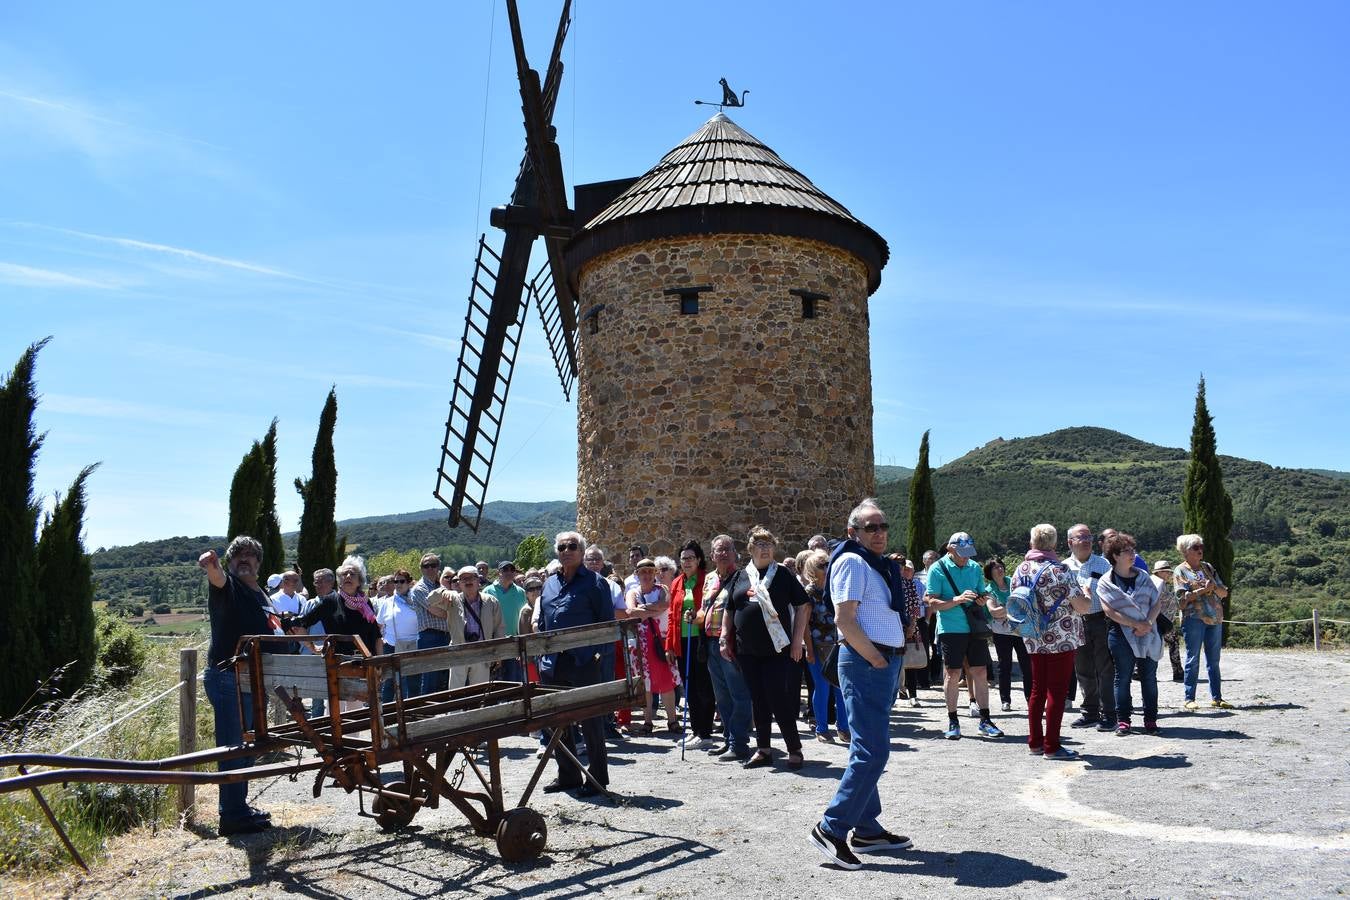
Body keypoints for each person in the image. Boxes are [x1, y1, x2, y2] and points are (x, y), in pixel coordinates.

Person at [809, 499, 913, 870]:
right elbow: (845, 619)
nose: (880, 533)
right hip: (868, 662)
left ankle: (867, 830)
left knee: (866, 748)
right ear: (853, 532)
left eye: (882, 526)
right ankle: (831, 827)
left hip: (880, 662)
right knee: (873, 752)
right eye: (871, 527)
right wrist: (875, 658)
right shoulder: (853, 561)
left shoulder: (873, 564)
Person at [199, 536, 276, 835]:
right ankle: (230, 815)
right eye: (238, 556)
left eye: (250, 555)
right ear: (230, 563)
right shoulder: (228, 587)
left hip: (254, 679)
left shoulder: (262, 595)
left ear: (258, 562)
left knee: (246, 748)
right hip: (229, 677)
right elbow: (217, 579)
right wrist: (211, 565)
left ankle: (239, 808)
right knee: (232, 747)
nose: (244, 559)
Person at [720, 526, 812, 770]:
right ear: (750, 549)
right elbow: (730, 608)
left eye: (769, 544)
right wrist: (723, 636)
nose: (764, 548)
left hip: (777, 649)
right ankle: (763, 750)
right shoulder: (740, 576)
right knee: (757, 699)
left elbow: (803, 606)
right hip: (746, 649)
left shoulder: (782, 575)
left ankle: (794, 749)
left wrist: (796, 641)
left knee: (777, 698)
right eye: (759, 544)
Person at [535, 531, 615, 796]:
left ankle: (596, 778)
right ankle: (568, 776)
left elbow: (606, 624)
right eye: (561, 547)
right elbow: (545, 624)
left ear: (581, 552)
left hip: (584, 661)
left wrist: (597, 656)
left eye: (571, 546)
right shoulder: (549, 584)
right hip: (554, 663)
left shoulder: (595, 583)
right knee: (558, 721)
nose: (566, 550)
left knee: (591, 721)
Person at [1010, 524, 1091, 760]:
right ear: (1054, 544)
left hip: (1032, 635)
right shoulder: (1061, 570)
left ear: (1032, 543)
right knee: (1057, 691)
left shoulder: (1020, 569)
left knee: (1037, 690)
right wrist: (1086, 592)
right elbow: (1082, 607)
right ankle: (1052, 746)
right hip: (1061, 638)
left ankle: (1035, 742)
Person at [926, 532, 1002, 740]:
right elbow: (932, 602)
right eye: (962, 553)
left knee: (980, 672)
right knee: (953, 674)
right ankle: (953, 720)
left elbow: (981, 593)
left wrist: (981, 599)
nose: (966, 557)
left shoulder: (974, 567)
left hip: (974, 628)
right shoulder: (937, 569)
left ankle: (985, 720)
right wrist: (957, 599)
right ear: (950, 549)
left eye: (969, 553)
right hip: (950, 628)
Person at [286, 558, 382, 714]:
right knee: (334, 713)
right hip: (338, 665)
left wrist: (380, 663)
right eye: (344, 574)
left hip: (364, 664)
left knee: (355, 714)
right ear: (339, 580)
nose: (348, 576)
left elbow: (376, 636)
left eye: (352, 574)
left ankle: (352, 739)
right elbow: (300, 625)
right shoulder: (330, 601)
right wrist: (313, 648)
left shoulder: (366, 603)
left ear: (360, 581)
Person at [1097, 532, 1164, 736]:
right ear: (1115, 555)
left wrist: (1148, 623)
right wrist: (1135, 623)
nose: (1132, 554)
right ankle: (1123, 721)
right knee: (1122, 677)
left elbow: (1156, 603)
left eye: (1133, 550)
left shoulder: (1143, 577)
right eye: (1127, 551)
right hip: (1120, 635)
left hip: (1149, 632)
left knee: (1149, 678)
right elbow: (1109, 611)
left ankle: (1150, 720)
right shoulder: (1105, 582)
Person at [703, 534, 753, 761]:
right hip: (711, 642)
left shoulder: (742, 577)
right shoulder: (709, 579)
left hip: (730, 643)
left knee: (738, 694)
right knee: (721, 696)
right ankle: (727, 739)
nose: (723, 553)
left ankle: (739, 743)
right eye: (718, 550)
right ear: (712, 555)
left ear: (735, 553)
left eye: (727, 549)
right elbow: (707, 609)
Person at [1064, 524, 1115, 733]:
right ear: (1070, 543)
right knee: (1083, 669)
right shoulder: (1063, 567)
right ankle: (1090, 713)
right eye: (1081, 537)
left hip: (1100, 620)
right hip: (1076, 622)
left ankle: (1109, 714)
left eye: (1088, 537)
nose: (1086, 541)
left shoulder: (1104, 565)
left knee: (1105, 669)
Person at [1174, 534, 1231, 710]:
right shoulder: (1180, 571)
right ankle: (1189, 698)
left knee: (1214, 660)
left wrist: (1214, 587)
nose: (1200, 550)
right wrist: (1202, 590)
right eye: (1196, 547)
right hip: (1194, 619)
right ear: (1185, 551)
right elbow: (1182, 600)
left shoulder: (1208, 568)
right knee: (1193, 658)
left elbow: (1223, 593)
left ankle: (1217, 697)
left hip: (1214, 618)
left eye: (1201, 547)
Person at [669, 540, 717, 748]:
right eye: (683, 559)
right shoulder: (677, 582)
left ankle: (705, 733)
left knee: (703, 687)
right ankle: (696, 730)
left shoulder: (707, 580)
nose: (687, 562)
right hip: (682, 640)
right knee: (689, 687)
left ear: (699, 560)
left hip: (701, 639)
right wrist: (669, 646)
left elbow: (710, 607)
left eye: (690, 558)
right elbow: (672, 615)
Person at [626, 558, 682, 733]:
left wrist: (644, 609)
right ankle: (648, 721)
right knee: (646, 683)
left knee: (666, 681)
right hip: (641, 644)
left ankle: (672, 721)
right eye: (643, 572)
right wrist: (655, 609)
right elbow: (631, 612)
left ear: (655, 573)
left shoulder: (663, 590)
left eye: (650, 571)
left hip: (661, 642)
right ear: (637, 574)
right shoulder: (632, 592)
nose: (647, 575)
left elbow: (666, 605)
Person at [802, 548, 848, 743]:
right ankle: (821, 728)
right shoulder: (809, 592)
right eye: (822, 565)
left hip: (837, 646)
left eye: (828, 564)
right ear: (813, 569)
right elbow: (804, 624)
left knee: (841, 688)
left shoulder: (835, 587)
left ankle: (844, 728)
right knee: (821, 688)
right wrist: (809, 650)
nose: (827, 568)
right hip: (817, 646)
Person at [442, 564, 504, 686]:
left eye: (471, 578)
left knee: (479, 692)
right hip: (459, 652)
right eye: (464, 579)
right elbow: (430, 600)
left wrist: (498, 653)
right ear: (459, 583)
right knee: (455, 693)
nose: (468, 581)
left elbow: (499, 629)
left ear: (478, 581)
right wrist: (444, 591)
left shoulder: (491, 601)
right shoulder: (452, 600)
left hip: (482, 651)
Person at [983, 558, 1029, 711]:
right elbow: (994, 612)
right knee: (1005, 666)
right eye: (996, 567)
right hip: (1001, 632)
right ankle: (1005, 700)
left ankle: (1031, 699)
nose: (1000, 569)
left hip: (1020, 631)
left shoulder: (1014, 582)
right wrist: (1013, 608)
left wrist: (1004, 608)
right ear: (990, 572)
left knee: (1027, 665)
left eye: (1001, 566)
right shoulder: (989, 590)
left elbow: (1025, 602)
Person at [410, 553, 451, 696]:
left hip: (446, 635)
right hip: (429, 637)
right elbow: (437, 611)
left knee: (444, 676)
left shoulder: (442, 586)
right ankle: (427, 714)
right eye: (426, 566)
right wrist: (451, 611)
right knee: (430, 678)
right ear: (421, 569)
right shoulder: (419, 589)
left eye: (433, 565)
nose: (430, 568)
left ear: (438, 567)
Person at [375, 569, 419, 702]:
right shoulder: (387, 602)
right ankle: (387, 714)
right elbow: (379, 624)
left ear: (409, 582)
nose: (398, 584)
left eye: (402, 581)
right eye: (396, 581)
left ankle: (413, 711)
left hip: (414, 645)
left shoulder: (417, 599)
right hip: (391, 645)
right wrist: (381, 641)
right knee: (389, 682)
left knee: (413, 682)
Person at [484, 561, 528, 682]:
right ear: (499, 572)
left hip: (515, 643)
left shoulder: (521, 592)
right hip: (495, 643)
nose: (509, 572)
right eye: (505, 570)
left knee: (514, 681)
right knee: (494, 682)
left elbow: (525, 617)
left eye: (512, 570)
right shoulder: (487, 591)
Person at [900, 559, 929, 707]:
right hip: (892, 626)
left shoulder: (913, 585)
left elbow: (916, 606)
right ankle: (898, 689)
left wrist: (912, 624)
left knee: (910, 661)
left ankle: (913, 695)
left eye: (908, 569)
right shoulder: (891, 584)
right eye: (903, 568)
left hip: (910, 626)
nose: (905, 571)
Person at [1150, 560, 1185, 681]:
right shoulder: (1158, 583)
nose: (1169, 574)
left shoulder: (1156, 582)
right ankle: (1178, 671)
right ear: (1160, 572)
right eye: (1166, 572)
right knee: (1171, 643)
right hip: (1160, 620)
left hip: (1160, 619)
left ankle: (1141, 670)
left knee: (1156, 644)